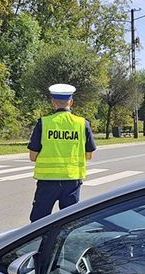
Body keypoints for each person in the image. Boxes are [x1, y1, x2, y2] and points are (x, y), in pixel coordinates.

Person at [28, 83, 97, 222]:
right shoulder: (82, 124)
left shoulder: (43, 123)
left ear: (53, 102)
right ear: (71, 102)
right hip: (72, 181)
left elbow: (33, 156)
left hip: (47, 181)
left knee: (38, 222)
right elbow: (89, 155)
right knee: (70, 221)